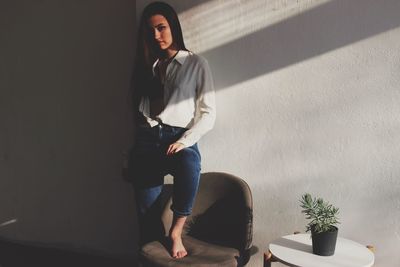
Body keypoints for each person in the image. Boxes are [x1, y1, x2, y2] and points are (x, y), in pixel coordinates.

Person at [131, 1, 216, 259]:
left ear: (173, 27)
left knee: (191, 162)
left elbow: (208, 113)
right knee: (147, 221)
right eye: (151, 31)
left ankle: (176, 231)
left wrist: (185, 140)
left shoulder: (196, 64)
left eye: (161, 27)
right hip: (148, 140)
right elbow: (142, 112)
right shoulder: (149, 68)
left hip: (177, 137)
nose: (157, 36)